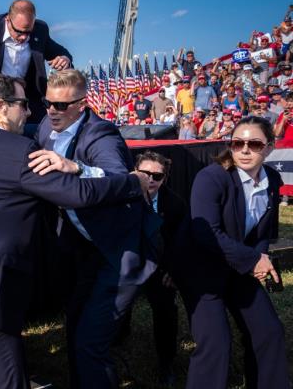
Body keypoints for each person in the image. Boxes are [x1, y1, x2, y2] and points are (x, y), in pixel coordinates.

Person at [0, 73, 147, 388]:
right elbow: (78, 194)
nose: (32, 112)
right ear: (2, 107)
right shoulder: (20, 152)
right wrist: (133, 182)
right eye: (24, 104)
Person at [31, 69, 159, 388]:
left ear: (81, 104)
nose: (51, 111)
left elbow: (120, 179)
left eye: (61, 106)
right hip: (85, 249)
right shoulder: (47, 126)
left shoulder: (101, 134)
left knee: (90, 341)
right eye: (47, 103)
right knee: (76, 327)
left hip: (118, 253)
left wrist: (78, 167)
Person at [176, 116, 289, 389]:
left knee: (269, 332)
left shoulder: (272, 179)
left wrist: (260, 259)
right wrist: (253, 261)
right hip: (201, 270)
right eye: (238, 143)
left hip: (240, 268)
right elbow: (205, 233)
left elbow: (263, 232)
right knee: (216, 344)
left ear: (270, 147)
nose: (245, 150)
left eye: (254, 144)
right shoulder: (211, 177)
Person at [118, 151, 188, 386]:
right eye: (144, 173)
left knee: (166, 310)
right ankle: (116, 348)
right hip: (124, 264)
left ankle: (166, 361)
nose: (149, 179)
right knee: (117, 309)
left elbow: (180, 242)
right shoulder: (118, 195)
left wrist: (174, 270)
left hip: (159, 267)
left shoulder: (175, 204)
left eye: (156, 176)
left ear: (164, 179)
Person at [0, 0, 72, 124]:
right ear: (7, 20)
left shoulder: (40, 30)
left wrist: (65, 60)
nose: (24, 37)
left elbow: (62, 53)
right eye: (19, 32)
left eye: (28, 32)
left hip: (26, 106)